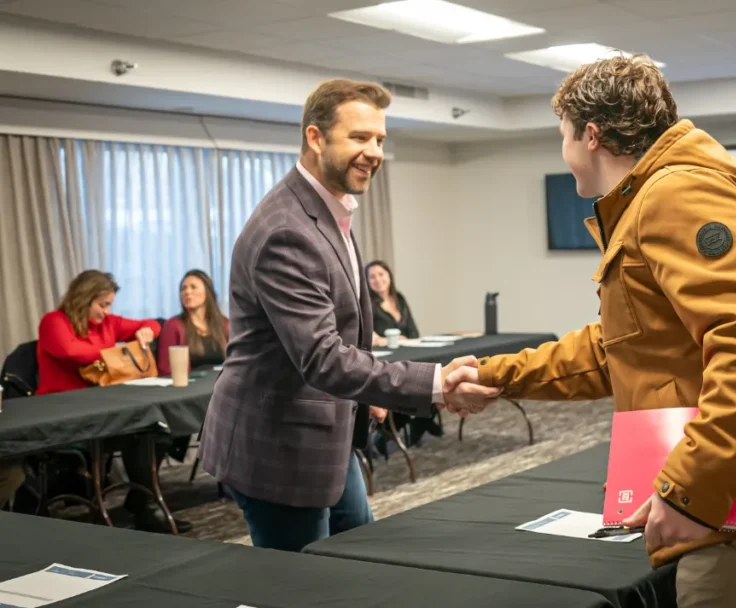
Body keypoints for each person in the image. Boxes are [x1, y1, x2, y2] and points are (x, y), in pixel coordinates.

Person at [444, 55, 736, 608]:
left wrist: (691, 488)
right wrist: (498, 373)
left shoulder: (677, 195)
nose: (565, 153)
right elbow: (621, 346)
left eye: (564, 136)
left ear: (591, 135)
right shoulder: (659, 196)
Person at [199, 78, 499, 552]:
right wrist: (436, 385)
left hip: (327, 427)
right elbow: (322, 357)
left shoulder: (328, 208)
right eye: (359, 138)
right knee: (307, 587)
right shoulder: (287, 231)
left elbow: (341, 329)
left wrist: (371, 392)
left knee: (364, 555)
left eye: (380, 139)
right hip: (278, 444)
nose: (375, 151)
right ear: (316, 139)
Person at [36, 270, 191, 533]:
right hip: (62, 412)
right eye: (102, 304)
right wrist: (118, 352)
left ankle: (142, 503)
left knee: (154, 431)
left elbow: (154, 324)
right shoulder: (54, 322)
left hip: (103, 409)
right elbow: (73, 352)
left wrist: (146, 333)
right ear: (83, 299)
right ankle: (144, 506)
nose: (107, 311)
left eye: (109, 305)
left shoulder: (108, 324)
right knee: (140, 431)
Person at [366, 260, 442, 448]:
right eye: (372, 276)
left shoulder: (399, 299)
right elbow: (370, 336)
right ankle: (405, 426)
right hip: (385, 360)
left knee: (431, 374)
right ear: (366, 282)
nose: (378, 280)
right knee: (409, 384)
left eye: (381, 274)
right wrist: (388, 340)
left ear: (389, 276)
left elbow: (414, 332)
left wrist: (405, 339)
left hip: (409, 353)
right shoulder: (366, 304)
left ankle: (422, 420)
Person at [157, 269, 229, 375]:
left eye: (193, 287)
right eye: (183, 288)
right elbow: (166, 369)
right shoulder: (173, 326)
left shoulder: (225, 324)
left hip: (222, 384)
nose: (187, 292)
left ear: (208, 292)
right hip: (189, 388)